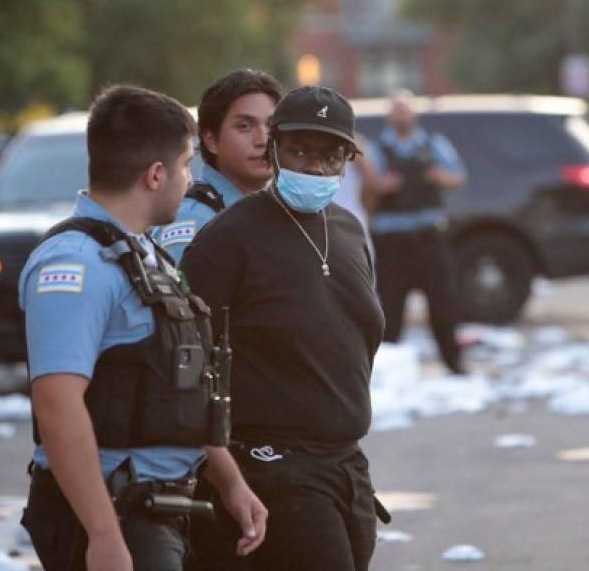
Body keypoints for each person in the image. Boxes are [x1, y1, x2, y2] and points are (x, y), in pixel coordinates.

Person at [19, 85, 267, 571]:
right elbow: (57, 403)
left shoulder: (143, 255)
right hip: (112, 516)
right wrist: (103, 535)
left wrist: (231, 483)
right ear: (155, 175)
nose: (189, 178)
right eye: (185, 164)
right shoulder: (74, 263)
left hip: (156, 512)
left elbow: (176, 387)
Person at [181, 85, 388, 570]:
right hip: (274, 469)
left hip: (347, 464)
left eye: (330, 154)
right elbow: (185, 363)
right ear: (274, 148)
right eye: (300, 150)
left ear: (348, 159)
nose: (314, 167)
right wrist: (225, 472)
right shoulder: (228, 238)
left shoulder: (348, 230)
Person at [368, 89, 468, 374]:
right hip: (392, 240)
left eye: (405, 109)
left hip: (429, 236)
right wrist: (383, 185)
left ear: (414, 113)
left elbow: (458, 177)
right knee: (389, 308)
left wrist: (439, 177)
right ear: (389, 115)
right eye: (396, 109)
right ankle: (387, 368)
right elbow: (369, 187)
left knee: (443, 303)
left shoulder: (432, 145)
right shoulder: (379, 149)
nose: (401, 114)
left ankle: (454, 362)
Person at [154, 69, 283, 263]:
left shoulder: (276, 215)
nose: (263, 140)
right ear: (211, 140)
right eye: (245, 126)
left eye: (272, 126)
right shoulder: (194, 221)